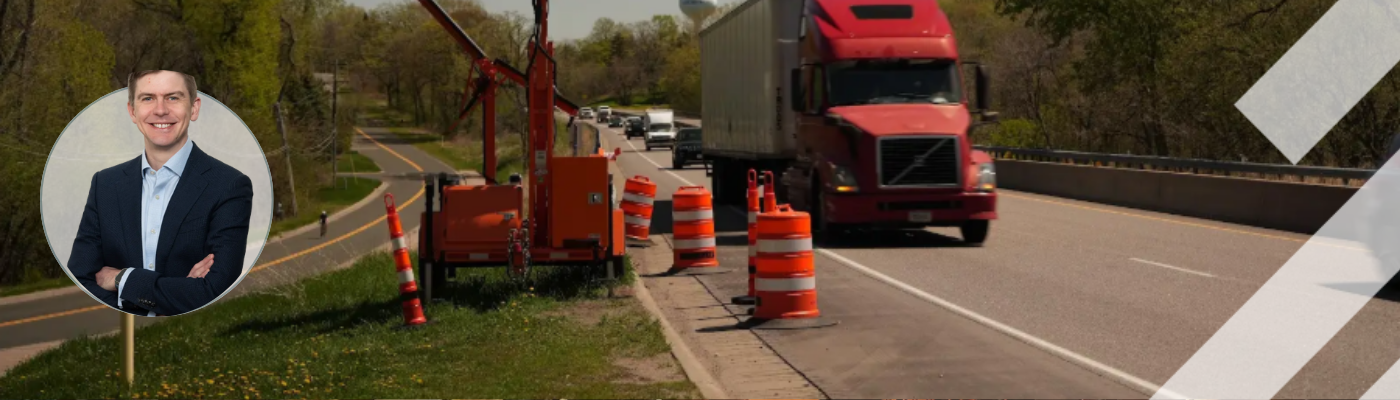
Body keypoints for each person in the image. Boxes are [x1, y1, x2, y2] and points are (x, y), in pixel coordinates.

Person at [66, 70, 254, 317]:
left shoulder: (229, 186)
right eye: (147, 99)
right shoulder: (105, 184)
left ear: (194, 108)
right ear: (132, 112)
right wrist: (177, 291)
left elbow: (213, 290)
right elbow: (83, 278)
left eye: (173, 98)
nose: (161, 110)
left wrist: (123, 280)